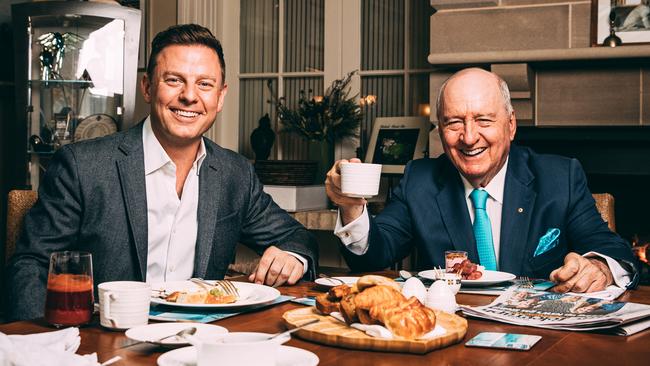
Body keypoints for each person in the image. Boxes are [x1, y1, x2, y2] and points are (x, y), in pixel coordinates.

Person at [6, 24, 318, 321]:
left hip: (200, 341)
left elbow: (296, 236)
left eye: (204, 84)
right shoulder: (81, 166)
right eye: (174, 80)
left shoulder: (235, 174)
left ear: (220, 97)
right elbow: (31, 266)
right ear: (147, 87)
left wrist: (292, 255)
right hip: (106, 343)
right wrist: (44, 347)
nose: (189, 96)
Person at [326, 68, 638, 294]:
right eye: (454, 122)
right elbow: (373, 255)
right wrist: (351, 207)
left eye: (484, 120)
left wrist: (597, 268)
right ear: (440, 128)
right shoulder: (419, 179)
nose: (469, 137)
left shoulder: (560, 177)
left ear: (511, 125)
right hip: (452, 335)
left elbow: (609, 247)